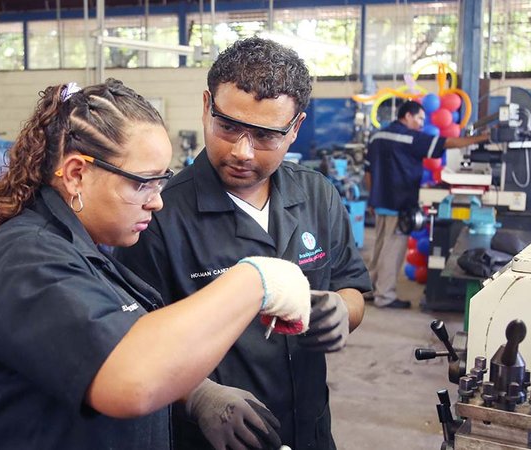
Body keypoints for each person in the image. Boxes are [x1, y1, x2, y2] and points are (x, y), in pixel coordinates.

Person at [0, 79, 314, 450]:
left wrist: (197, 393)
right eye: (142, 184)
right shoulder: (23, 260)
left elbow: (117, 341)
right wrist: (255, 279)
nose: (157, 202)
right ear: (76, 175)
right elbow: (130, 380)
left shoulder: (83, 250)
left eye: (160, 182)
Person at [114, 37, 372, 450]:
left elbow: (352, 286)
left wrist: (344, 309)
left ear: (296, 129)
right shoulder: (157, 216)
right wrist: (198, 395)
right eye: (228, 126)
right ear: (206, 106)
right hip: (211, 438)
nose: (242, 151)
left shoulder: (319, 195)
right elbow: (129, 346)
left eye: (265, 135)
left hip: (310, 430)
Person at [364, 100, 489, 309]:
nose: (422, 124)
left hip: (380, 201)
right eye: (420, 118)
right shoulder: (409, 138)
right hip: (399, 202)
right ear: (408, 116)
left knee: (380, 247)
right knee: (392, 249)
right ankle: (385, 296)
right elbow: (447, 143)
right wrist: (482, 138)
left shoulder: (377, 136)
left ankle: (369, 290)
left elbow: (368, 171)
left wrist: (372, 197)